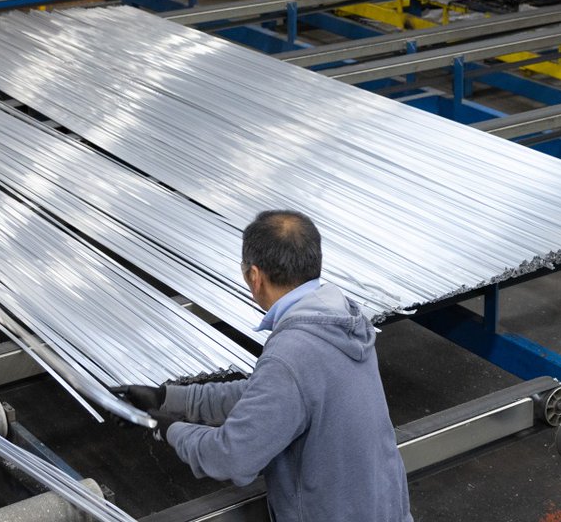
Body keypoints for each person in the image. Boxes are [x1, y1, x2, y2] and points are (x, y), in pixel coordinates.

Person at [115, 210, 412, 522]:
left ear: (254, 277)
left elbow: (233, 457)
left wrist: (168, 429)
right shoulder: (341, 319)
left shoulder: (292, 353)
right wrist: (169, 398)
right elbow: (267, 392)